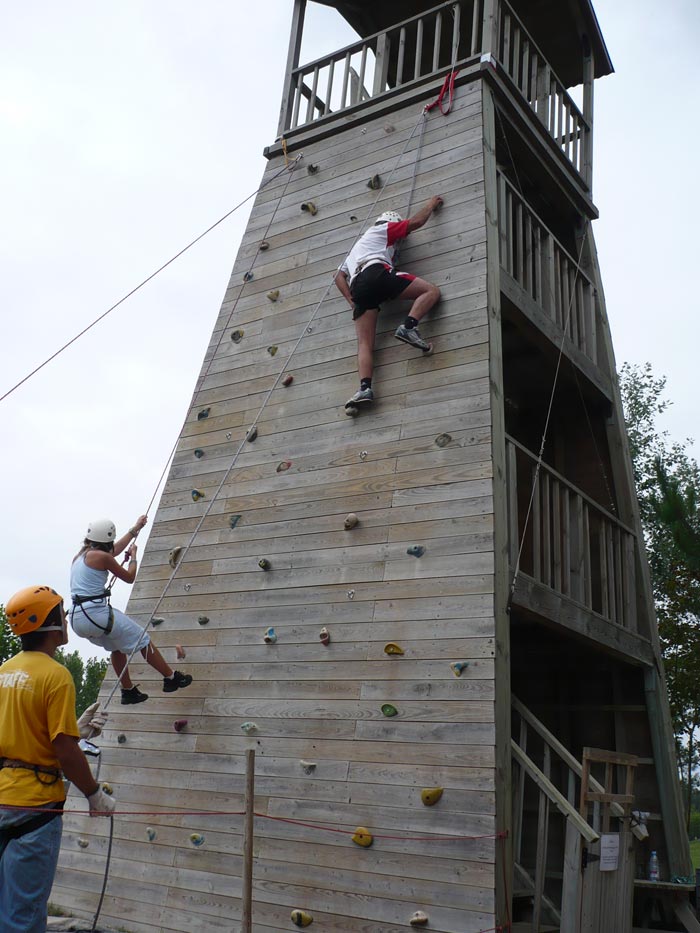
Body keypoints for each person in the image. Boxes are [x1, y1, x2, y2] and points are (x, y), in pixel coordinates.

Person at [0, 585, 116, 933]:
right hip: (35, 808)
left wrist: (75, 731)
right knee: (22, 918)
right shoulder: (56, 675)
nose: (66, 620)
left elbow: (22, 733)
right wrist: (94, 793)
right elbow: (65, 752)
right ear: (50, 624)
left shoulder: (4, 671)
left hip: (3, 796)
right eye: (62, 615)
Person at [335, 196, 443, 413]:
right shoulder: (383, 229)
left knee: (365, 344)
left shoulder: (358, 248)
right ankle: (409, 326)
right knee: (431, 291)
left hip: (359, 287)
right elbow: (416, 222)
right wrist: (431, 204)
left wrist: (352, 301)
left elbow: (338, 276)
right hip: (376, 273)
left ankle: (365, 388)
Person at [69, 516, 192, 705]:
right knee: (142, 639)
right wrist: (133, 557)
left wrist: (136, 528)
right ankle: (171, 678)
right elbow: (129, 577)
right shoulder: (102, 557)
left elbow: (114, 551)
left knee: (117, 648)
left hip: (77, 618)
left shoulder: (80, 556)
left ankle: (128, 691)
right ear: (107, 540)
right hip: (95, 614)